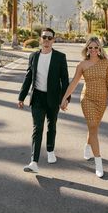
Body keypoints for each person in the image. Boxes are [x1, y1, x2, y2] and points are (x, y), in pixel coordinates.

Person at [61, 36, 108, 178]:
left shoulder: (106, 63)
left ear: (100, 49)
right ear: (87, 49)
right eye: (90, 47)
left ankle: (87, 146)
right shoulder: (82, 65)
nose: (93, 50)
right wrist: (64, 98)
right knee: (93, 126)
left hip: (102, 100)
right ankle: (98, 163)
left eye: (96, 47)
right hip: (87, 99)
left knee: (93, 128)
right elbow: (74, 83)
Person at [18, 28, 70, 173]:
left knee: (51, 125)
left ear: (53, 40)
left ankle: (50, 150)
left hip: (53, 98)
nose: (46, 40)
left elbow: (64, 80)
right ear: (40, 39)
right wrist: (21, 97)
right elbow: (28, 77)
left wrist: (66, 99)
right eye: (44, 37)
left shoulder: (60, 57)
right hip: (38, 98)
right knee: (37, 128)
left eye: (49, 38)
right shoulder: (33, 56)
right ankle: (34, 162)